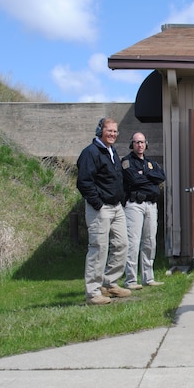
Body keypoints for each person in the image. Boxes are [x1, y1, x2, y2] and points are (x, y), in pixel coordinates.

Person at [76, 118, 131, 305]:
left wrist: (120, 200)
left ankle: (109, 284)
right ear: (100, 131)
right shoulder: (90, 153)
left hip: (116, 208)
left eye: (115, 131)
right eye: (109, 131)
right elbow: (84, 182)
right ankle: (93, 292)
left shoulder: (112, 151)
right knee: (98, 249)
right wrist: (98, 204)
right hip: (100, 209)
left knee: (122, 244)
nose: (113, 134)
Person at [121, 132, 166, 290]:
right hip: (135, 205)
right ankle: (131, 280)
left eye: (142, 142)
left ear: (146, 144)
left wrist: (145, 174)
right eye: (136, 142)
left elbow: (161, 177)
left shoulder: (151, 162)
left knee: (149, 242)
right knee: (133, 242)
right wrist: (150, 178)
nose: (139, 145)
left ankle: (148, 277)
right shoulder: (127, 162)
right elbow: (133, 180)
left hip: (151, 205)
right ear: (131, 144)